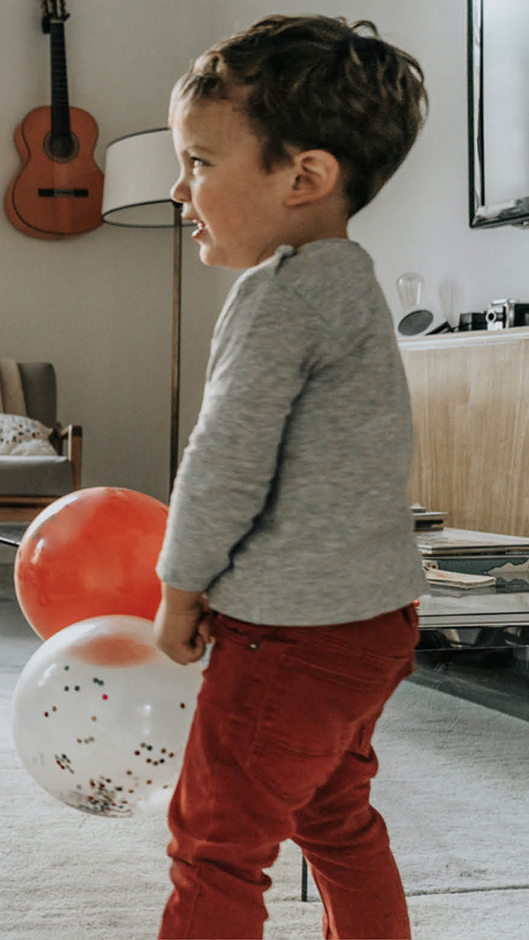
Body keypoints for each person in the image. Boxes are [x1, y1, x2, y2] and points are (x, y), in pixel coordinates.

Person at [151, 15, 428, 939]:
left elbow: (223, 462)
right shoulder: (351, 281)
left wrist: (179, 591)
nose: (178, 187)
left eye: (198, 162)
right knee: (336, 818)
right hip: (375, 624)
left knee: (216, 845)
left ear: (304, 177)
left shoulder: (275, 296)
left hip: (291, 637)